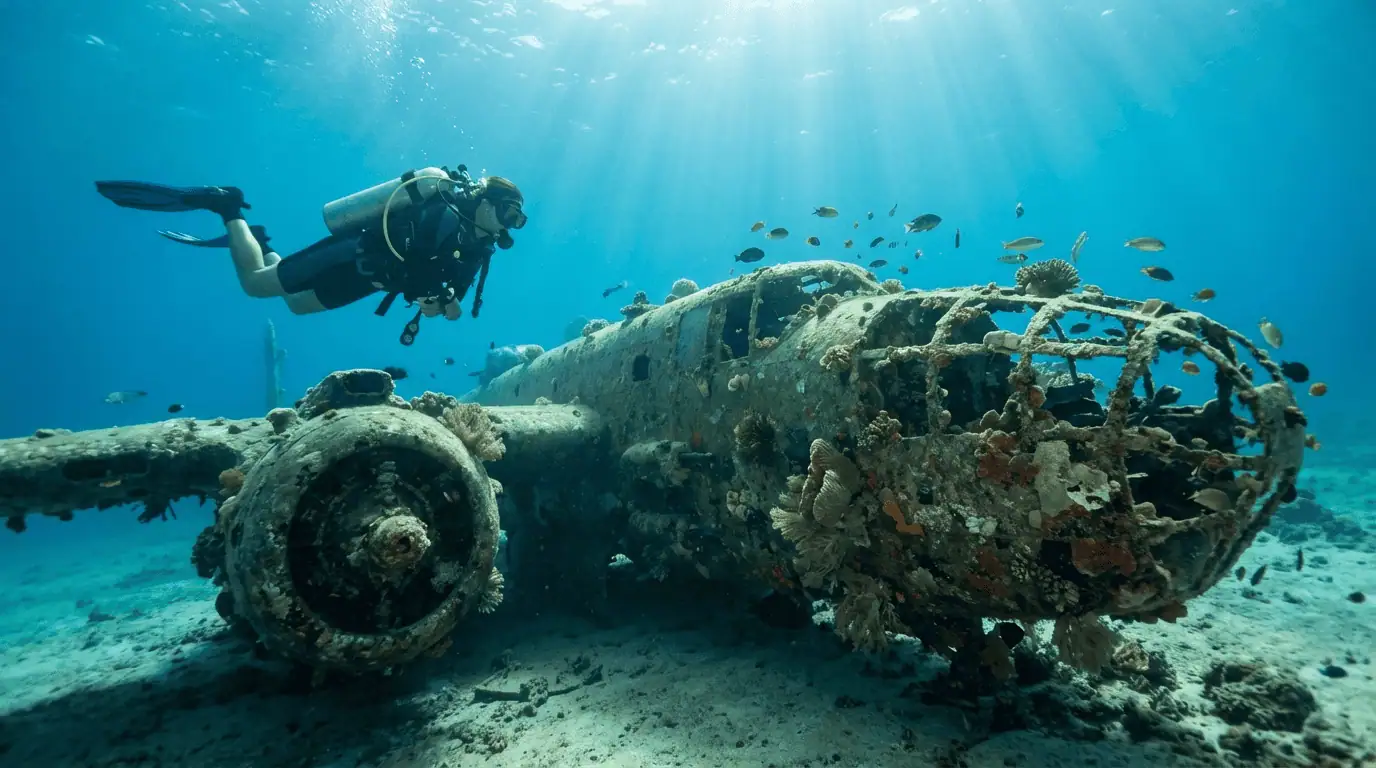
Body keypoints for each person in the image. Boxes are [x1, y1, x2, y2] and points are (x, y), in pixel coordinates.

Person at [95, 166, 527, 344]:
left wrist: (441, 300)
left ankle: (259, 242)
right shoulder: (444, 211)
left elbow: (446, 312)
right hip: (352, 251)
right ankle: (227, 205)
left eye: (517, 221)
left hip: (370, 281)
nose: (509, 225)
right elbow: (419, 268)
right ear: (485, 200)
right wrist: (431, 293)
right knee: (256, 286)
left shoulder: (478, 248)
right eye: (508, 213)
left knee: (297, 305)